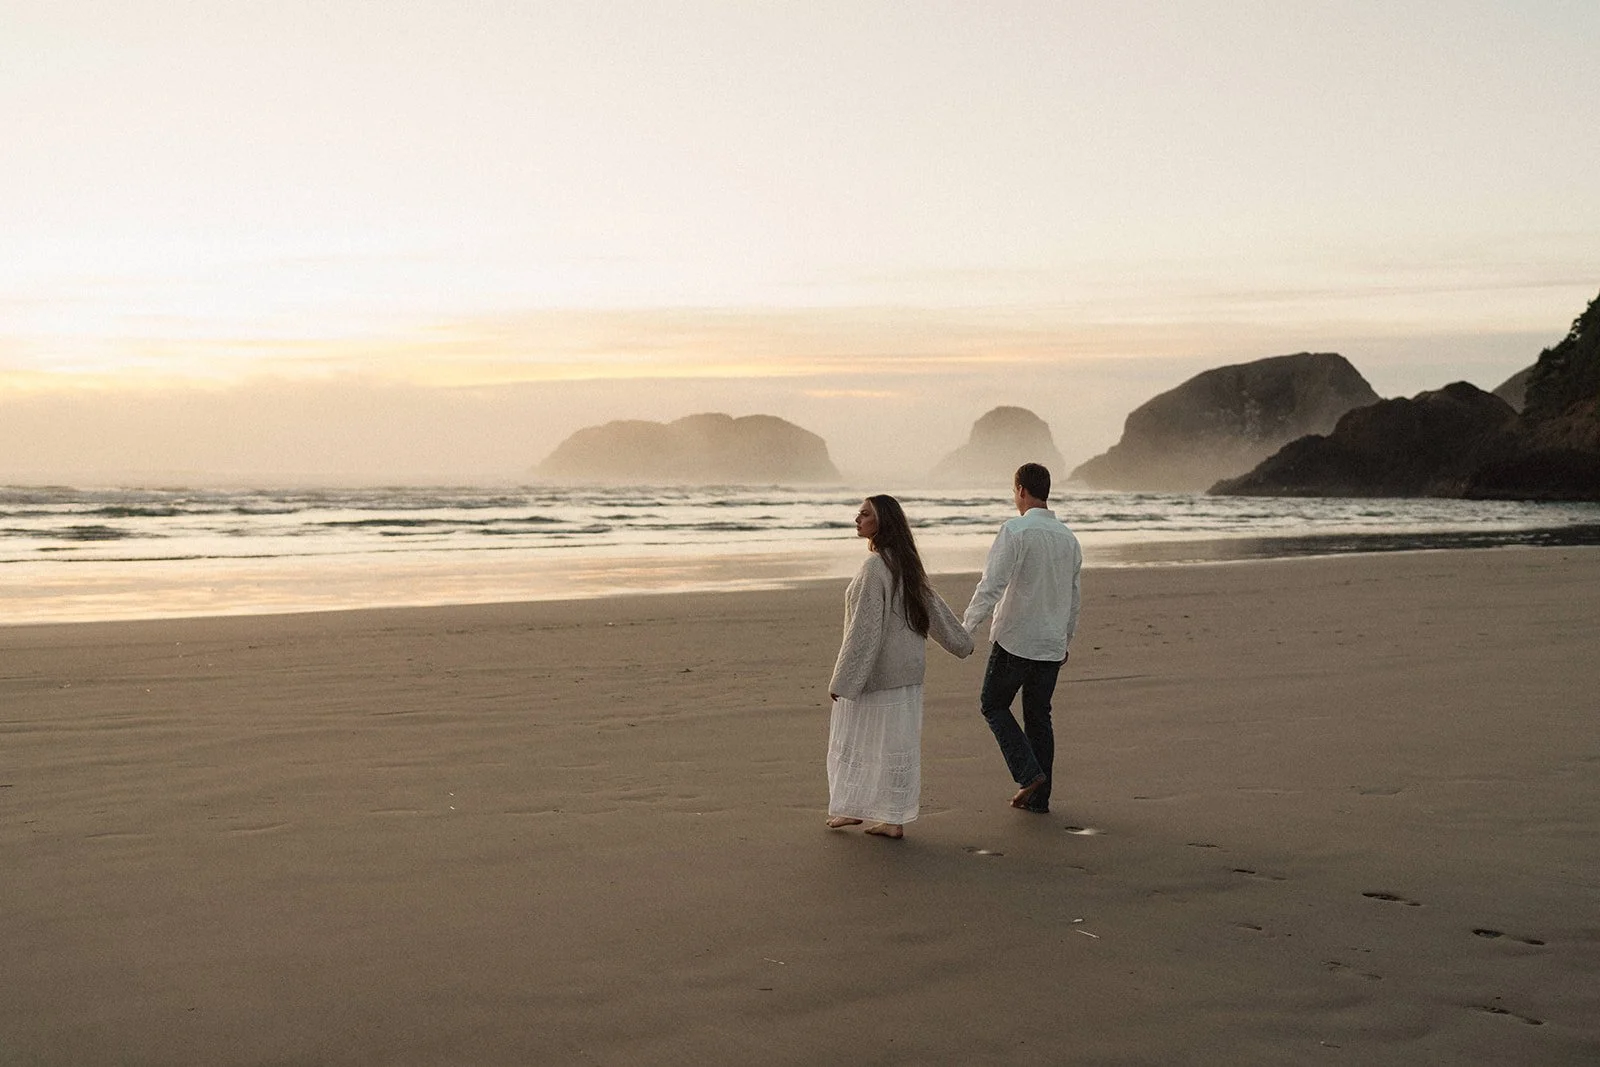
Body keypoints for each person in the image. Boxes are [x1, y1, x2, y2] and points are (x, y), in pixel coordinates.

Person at [827, 494, 973, 839]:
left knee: (857, 739)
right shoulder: (904, 564)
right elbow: (935, 611)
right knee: (896, 745)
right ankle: (893, 819)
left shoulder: (875, 567)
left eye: (864, 514)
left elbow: (865, 629)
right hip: (908, 673)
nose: (857, 518)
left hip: (879, 673)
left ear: (882, 523)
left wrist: (843, 680)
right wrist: (961, 642)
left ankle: (851, 809)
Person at [963, 463, 1083, 814]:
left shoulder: (1015, 530)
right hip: (1049, 643)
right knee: (1038, 716)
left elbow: (992, 585)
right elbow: (1073, 598)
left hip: (1016, 639)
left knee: (993, 704)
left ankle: (1029, 774)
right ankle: (1039, 798)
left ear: (1020, 491)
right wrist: (1066, 641)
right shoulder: (1069, 539)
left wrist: (966, 629)